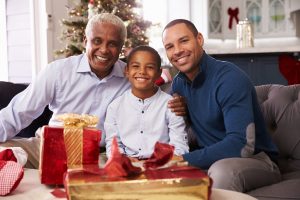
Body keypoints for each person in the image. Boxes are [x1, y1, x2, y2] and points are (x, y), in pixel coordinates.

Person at [0, 13, 184, 168]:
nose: (104, 50)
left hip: (100, 155)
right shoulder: (57, 71)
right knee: (3, 153)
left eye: (112, 44)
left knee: (124, 170)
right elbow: (17, 113)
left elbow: (157, 93)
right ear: (85, 41)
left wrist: (178, 101)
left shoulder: (131, 77)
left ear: (121, 48)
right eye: (97, 41)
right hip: (48, 147)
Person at [162, 19, 281, 192]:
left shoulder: (229, 78)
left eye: (184, 41)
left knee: (221, 171)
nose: (177, 51)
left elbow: (241, 146)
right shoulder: (179, 85)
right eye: (169, 46)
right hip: (212, 160)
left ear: (200, 39)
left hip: (257, 161)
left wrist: (180, 160)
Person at [104, 45, 189, 159]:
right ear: (127, 71)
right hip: (127, 166)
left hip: (164, 165)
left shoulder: (171, 105)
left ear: (159, 73)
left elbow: (180, 146)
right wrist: (124, 162)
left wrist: (163, 163)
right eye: (135, 66)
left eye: (149, 67)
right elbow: (113, 145)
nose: (142, 72)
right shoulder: (115, 107)